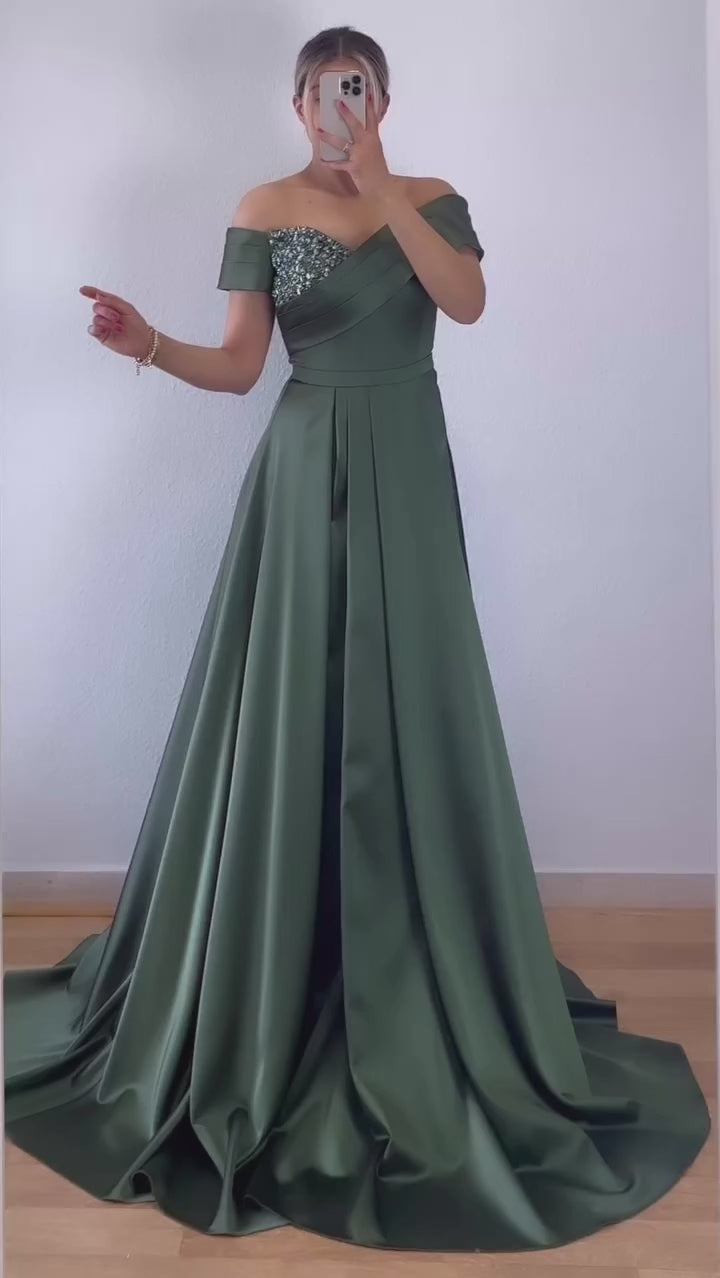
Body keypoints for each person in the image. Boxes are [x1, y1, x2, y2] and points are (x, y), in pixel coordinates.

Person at [4, 24, 711, 1255]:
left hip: (408, 466)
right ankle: (273, 961)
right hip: (303, 471)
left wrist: (381, 182)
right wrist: (146, 343)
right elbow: (240, 368)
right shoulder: (261, 206)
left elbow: (466, 302)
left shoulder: (429, 197)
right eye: (323, 93)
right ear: (296, 103)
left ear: (382, 97)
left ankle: (416, 967)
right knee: (289, 710)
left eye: (360, 90)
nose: (338, 108)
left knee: (414, 704)